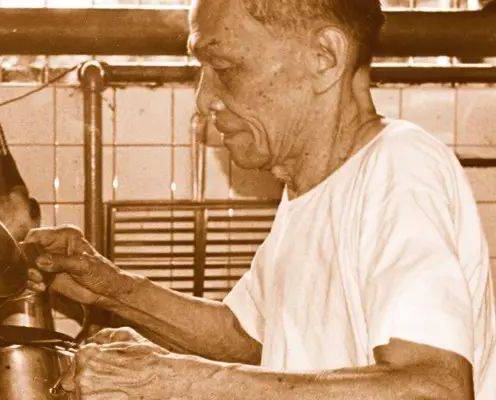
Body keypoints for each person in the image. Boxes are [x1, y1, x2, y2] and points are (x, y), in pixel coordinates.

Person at [25, 0, 496, 398]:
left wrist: (182, 382)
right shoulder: (310, 189)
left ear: (325, 58)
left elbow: (431, 388)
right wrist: (109, 288)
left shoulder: (399, 165)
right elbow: (248, 339)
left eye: (225, 67)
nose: (204, 100)